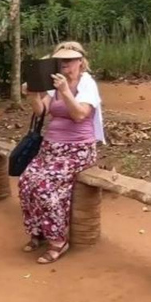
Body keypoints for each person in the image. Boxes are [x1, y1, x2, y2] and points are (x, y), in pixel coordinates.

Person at [19, 41, 104, 264]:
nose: (64, 64)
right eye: (60, 60)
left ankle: (58, 240)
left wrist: (65, 91)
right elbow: (42, 112)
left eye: (69, 60)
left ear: (80, 62)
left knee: (46, 187)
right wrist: (32, 95)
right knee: (27, 181)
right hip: (51, 147)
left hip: (78, 149)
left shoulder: (87, 84)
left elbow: (79, 115)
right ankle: (38, 232)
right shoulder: (53, 82)